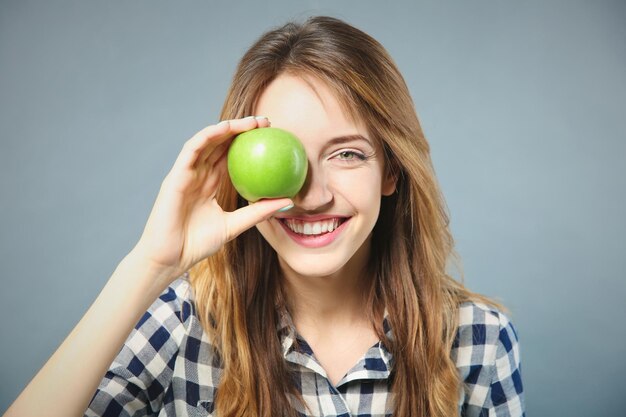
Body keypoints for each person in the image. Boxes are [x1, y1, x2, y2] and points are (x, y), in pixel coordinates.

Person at [6, 15, 524, 417]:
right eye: (286, 156)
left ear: (391, 171)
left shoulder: (475, 338)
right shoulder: (187, 321)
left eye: (347, 154)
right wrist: (150, 264)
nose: (312, 195)